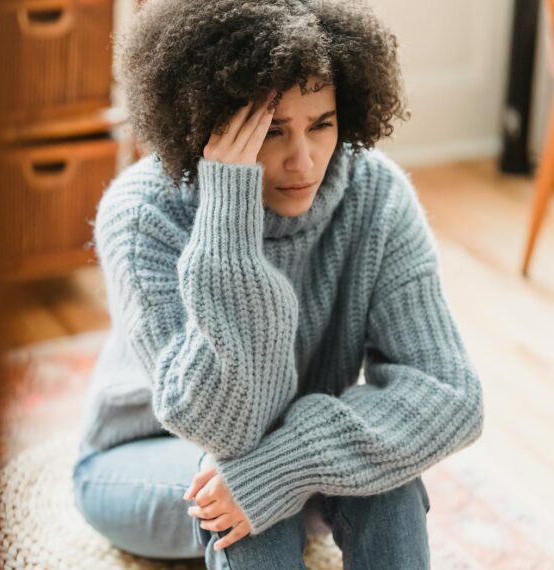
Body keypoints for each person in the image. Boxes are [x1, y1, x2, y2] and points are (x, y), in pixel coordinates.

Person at [71, 0, 485, 568]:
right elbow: (222, 426)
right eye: (269, 132)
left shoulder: (376, 196)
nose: (304, 161)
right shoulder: (145, 213)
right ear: (207, 124)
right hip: (142, 456)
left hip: (282, 445)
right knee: (234, 484)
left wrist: (288, 464)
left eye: (322, 125)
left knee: (380, 480)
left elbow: (449, 395)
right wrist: (227, 221)